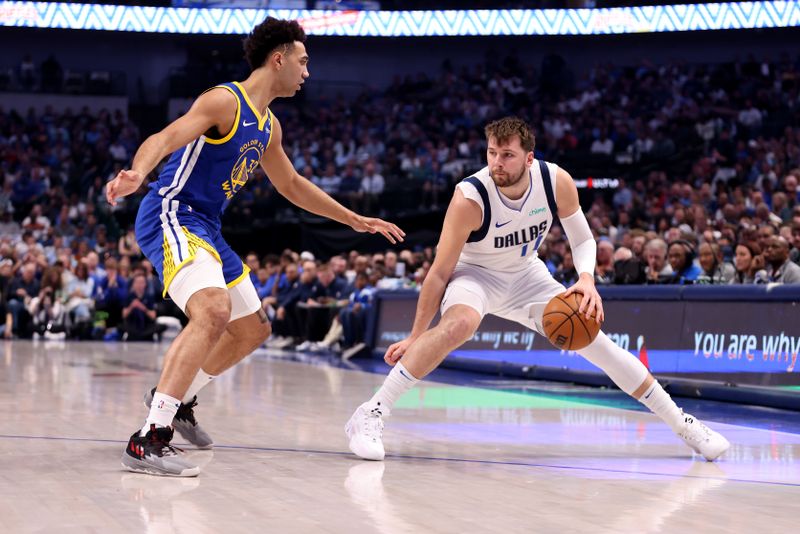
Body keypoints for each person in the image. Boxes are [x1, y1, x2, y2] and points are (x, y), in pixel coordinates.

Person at [106, 17, 404, 477]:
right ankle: (150, 437)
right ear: (278, 58)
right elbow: (165, 137)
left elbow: (291, 184)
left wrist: (353, 219)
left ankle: (178, 400)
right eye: (303, 62)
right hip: (171, 212)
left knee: (253, 329)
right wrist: (136, 174)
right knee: (212, 311)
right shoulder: (225, 100)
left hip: (207, 226)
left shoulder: (269, 126)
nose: (307, 72)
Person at [345, 117, 728, 462]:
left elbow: (582, 240)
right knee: (459, 325)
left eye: (507, 155)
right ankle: (372, 411)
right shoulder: (470, 198)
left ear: (529, 158)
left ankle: (683, 424)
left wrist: (586, 279)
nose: (497, 162)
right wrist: (415, 335)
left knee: (599, 344)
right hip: (475, 275)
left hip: (527, 276)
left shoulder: (554, 181)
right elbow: (438, 272)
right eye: (492, 153)